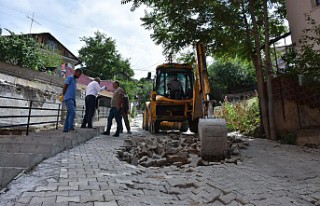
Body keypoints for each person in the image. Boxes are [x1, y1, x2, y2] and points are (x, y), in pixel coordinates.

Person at [62, 68, 82, 132]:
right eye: (78, 74)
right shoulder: (70, 77)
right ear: (75, 72)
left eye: (80, 75)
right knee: (72, 112)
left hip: (72, 99)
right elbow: (65, 85)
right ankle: (71, 127)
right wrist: (63, 95)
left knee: (69, 114)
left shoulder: (74, 80)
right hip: (68, 98)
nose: (79, 76)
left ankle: (66, 129)